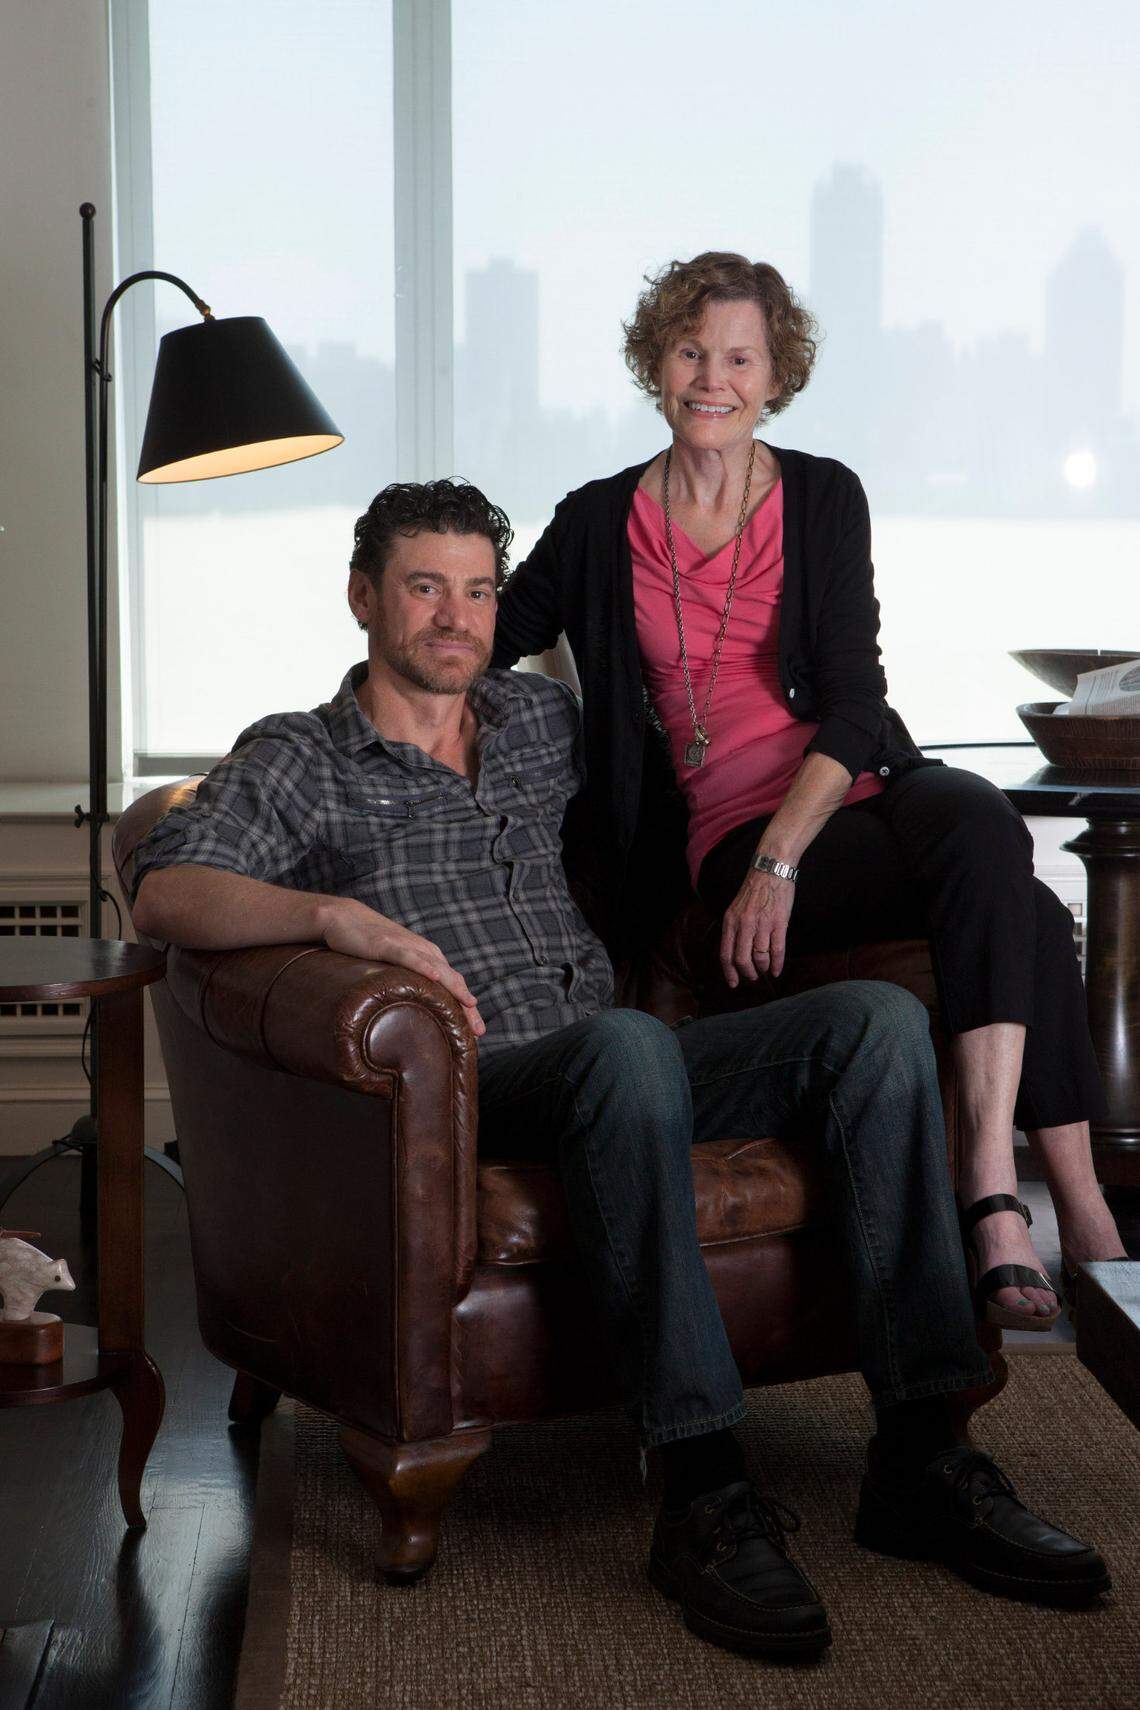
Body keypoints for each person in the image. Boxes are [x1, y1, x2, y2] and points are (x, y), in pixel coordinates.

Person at [130, 479, 1108, 1660]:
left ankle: (922, 1452)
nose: (456, 616)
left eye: (480, 591)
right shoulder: (302, 758)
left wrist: (825, 846)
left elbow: (718, 724)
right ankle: (700, 1487)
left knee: (871, 1026)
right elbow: (167, 888)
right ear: (363, 599)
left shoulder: (545, 728)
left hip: (627, 1057)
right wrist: (339, 921)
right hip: (472, 1085)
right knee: (627, 1048)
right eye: (425, 588)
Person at [490, 251, 1127, 1332]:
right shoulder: (600, 520)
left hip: (847, 800)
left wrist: (788, 861)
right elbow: (477, 637)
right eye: (691, 351)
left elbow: (856, 699)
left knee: (980, 822)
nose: (713, 378)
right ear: (655, 360)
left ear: (776, 375)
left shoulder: (824, 496)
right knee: (1015, 904)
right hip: (722, 836)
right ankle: (1060, 1219)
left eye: (740, 356)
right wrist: (370, 688)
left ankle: (1014, 1191)